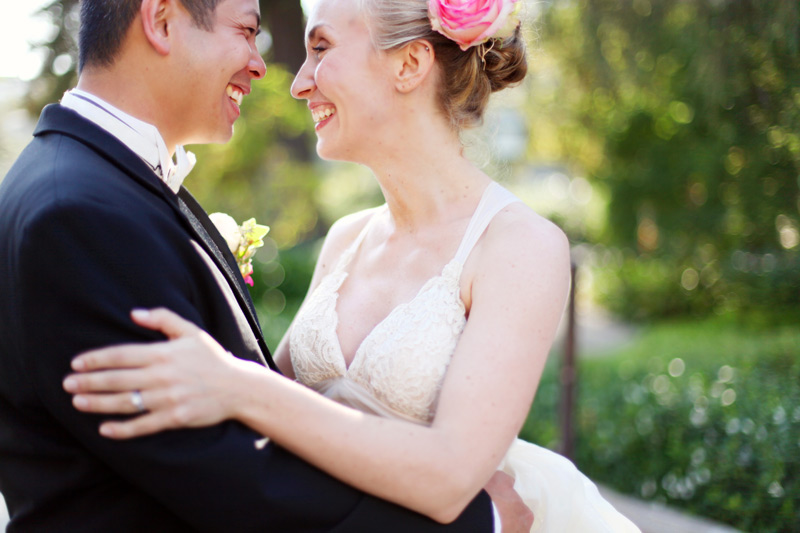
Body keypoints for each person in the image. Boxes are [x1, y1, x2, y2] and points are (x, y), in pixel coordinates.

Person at [61, 0, 642, 531]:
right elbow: (271, 422)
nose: (297, 84)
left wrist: (235, 385)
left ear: (410, 64)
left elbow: (447, 480)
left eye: (321, 49)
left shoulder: (521, 247)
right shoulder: (345, 239)